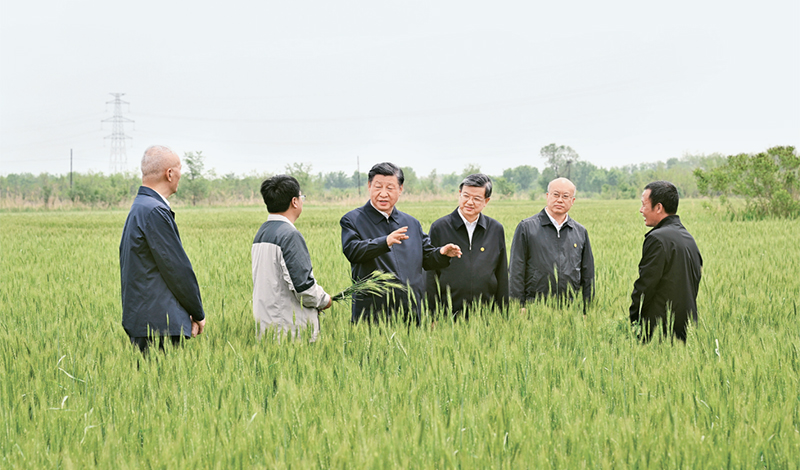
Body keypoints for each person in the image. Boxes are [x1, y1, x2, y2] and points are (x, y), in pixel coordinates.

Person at [340, 162, 462, 323]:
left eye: (390, 188)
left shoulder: (411, 223)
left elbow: (426, 258)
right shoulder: (353, 220)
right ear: (369, 186)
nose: (383, 194)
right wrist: (385, 242)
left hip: (411, 312)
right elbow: (353, 251)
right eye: (378, 187)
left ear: (400, 189)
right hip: (373, 315)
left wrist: (441, 253)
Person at [120, 145, 206, 354]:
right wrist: (197, 313)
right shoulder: (154, 211)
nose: (180, 175)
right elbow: (177, 269)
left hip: (146, 321)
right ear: (169, 174)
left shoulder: (141, 207)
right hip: (160, 325)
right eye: (180, 169)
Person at [252, 175, 332, 342]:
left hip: (267, 328)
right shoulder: (289, 235)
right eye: (301, 197)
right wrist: (325, 300)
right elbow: (303, 288)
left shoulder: (262, 233)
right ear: (294, 201)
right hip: (290, 331)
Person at [426, 173, 508, 318]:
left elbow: (501, 274)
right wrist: (433, 315)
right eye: (466, 196)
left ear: (486, 201)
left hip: (486, 314)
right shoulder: (440, 227)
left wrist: (503, 314)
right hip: (448, 314)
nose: (470, 202)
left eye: (476, 198)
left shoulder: (495, 229)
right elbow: (429, 274)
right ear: (459, 194)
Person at [629, 181, 703, 342]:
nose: (641, 210)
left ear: (658, 207)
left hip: (659, 332)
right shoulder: (688, 238)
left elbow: (645, 287)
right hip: (687, 329)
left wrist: (633, 322)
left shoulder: (657, 239)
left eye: (644, 205)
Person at [509, 177, 594, 313]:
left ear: (572, 201)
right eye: (556, 194)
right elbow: (516, 270)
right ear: (548, 196)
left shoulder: (580, 232)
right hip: (535, 306)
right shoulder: (527, 228)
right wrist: (518, 305)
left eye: (565, 196)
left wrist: (587, 310)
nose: (560, 200)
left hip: (571, 309)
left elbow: (588, 274)